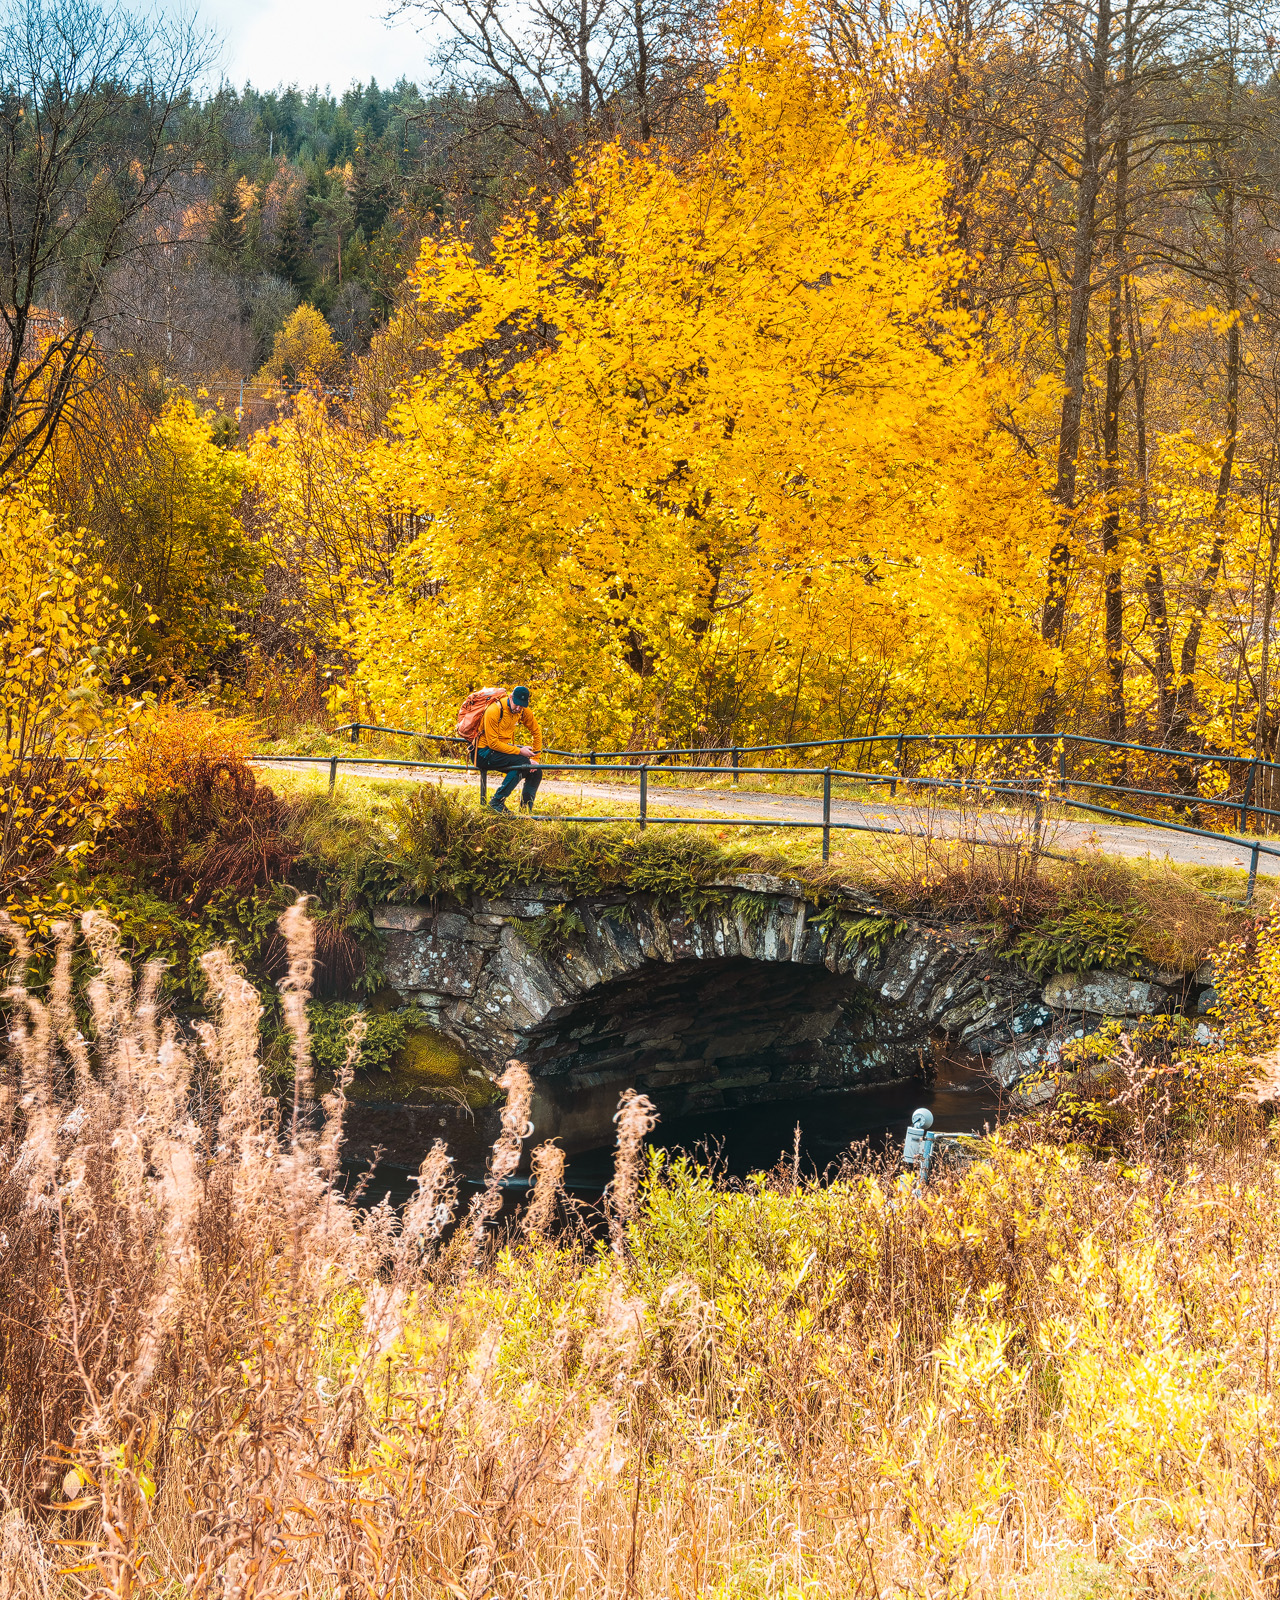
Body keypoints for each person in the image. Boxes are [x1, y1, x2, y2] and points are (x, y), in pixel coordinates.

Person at [477, 685, 543, 813]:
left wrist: (535, 758)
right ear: (511, 697)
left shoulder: (522, 711)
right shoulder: (494, 710)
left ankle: (525, 811)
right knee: (522, 763)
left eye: (522, 705)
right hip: (483, 752)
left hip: (502, 750)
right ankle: (496, 801)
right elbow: (493, 744)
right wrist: (519, 751)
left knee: (535, 771)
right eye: (517, 704)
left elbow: (536, 732)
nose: (518, 708)